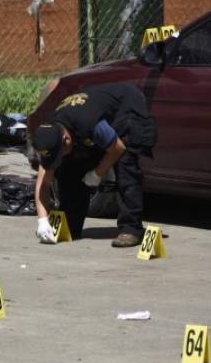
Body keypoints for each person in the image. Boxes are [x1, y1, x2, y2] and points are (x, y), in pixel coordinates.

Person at [32, 83, 157, 247]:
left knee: (126, 164)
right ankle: (70, 223)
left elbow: (117, 148)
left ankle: (131, 228)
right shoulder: (49, 134)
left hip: (125, 108)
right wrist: (42, 220)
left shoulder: (88, 123)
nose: (59, 157)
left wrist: (97, 173)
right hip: (91, 116)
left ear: (66, 139)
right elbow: (43, 182)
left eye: (61, 152)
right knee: (68, 168)